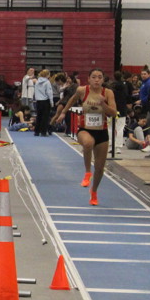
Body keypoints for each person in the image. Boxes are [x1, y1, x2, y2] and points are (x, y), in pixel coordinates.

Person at [53, 69, 117, 206]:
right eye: (94, 77)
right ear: (88, 79)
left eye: (99, 77)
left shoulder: (108, 93)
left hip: (102, 132)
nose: (97, 80)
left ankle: (94, 192)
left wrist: (103, 104)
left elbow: (113, 113)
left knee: (99, 168)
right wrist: (63, 113)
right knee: (88, 143)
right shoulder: (82, 90)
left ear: (103, 80)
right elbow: (71, 100)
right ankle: (87, 172)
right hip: (85, 129)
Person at [33, 69, 54, 137]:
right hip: (45, 101)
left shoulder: (37, 82)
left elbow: (35, 91)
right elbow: (49, 93)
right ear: (47, 75)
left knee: (39, 116)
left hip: (38, 101)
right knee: (45, 117)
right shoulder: (47, 82)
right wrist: (51, 102)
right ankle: (43, 132)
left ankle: (36, 131)